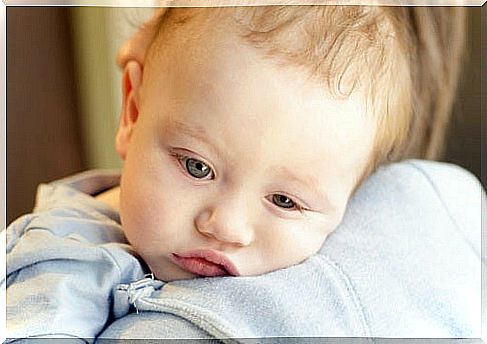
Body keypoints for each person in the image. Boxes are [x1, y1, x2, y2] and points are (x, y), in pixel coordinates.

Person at [5, 5, 483, 341]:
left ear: (355, 199)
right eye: (196, 166)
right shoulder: (61, 260)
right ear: (132, 110)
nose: (227, 227)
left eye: (284, 202)